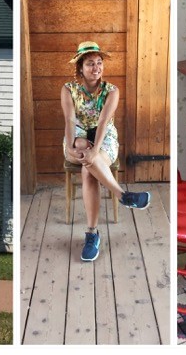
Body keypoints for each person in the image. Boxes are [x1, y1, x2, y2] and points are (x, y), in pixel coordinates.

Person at [61, 40, 151, 263]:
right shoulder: (68, 89)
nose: (96, 68)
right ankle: (123, 196)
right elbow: (70, 120)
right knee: (82, 148)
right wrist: (71, 147)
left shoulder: (112, 91)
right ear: (80, 68)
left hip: (104, 137)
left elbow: (103, 123)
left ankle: (92, 234)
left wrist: (96, 151)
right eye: (90, 63)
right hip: (77, 136)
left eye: (99, 63)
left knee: (88, 170)